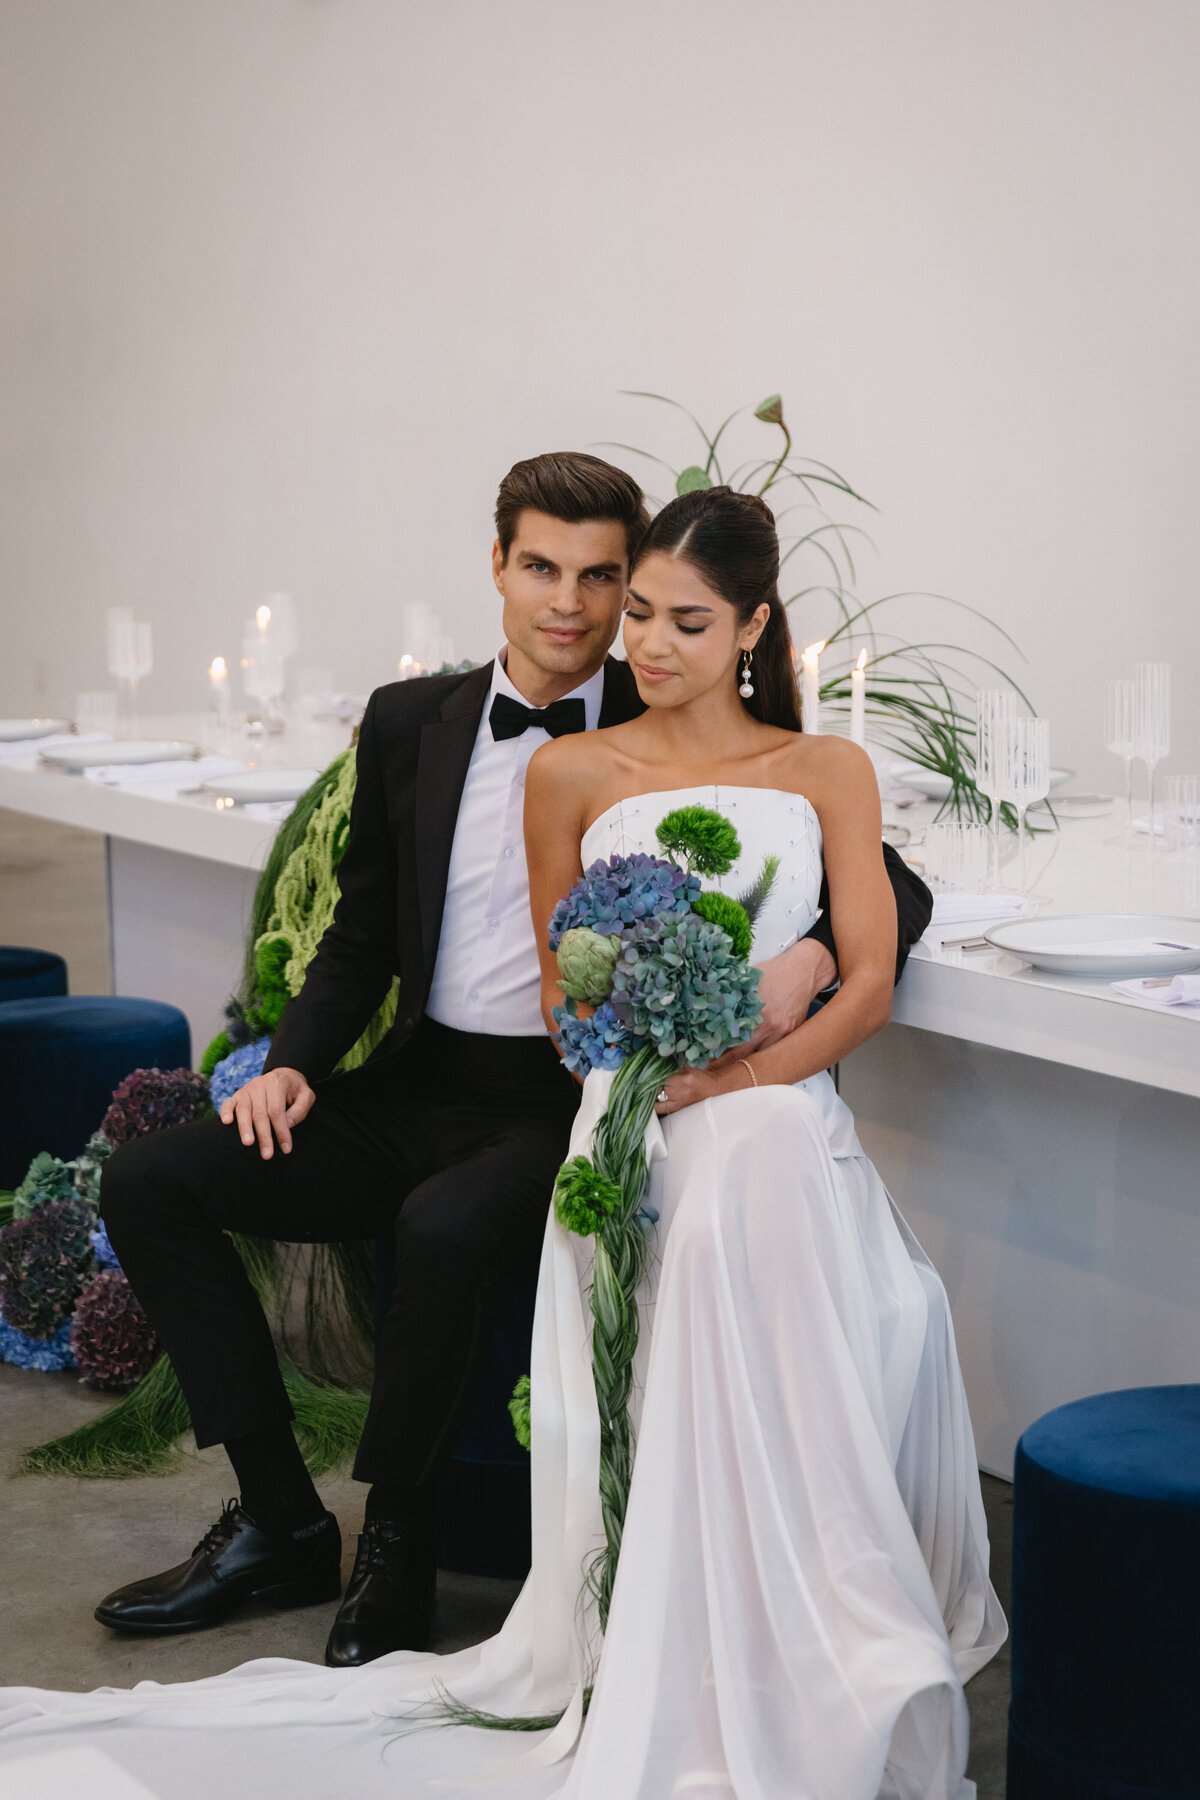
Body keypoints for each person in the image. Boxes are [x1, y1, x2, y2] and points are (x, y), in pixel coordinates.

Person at [83, 453, 932, 1675]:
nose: (577, 609)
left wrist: (801, 952)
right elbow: (361, 932)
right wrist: (293, 1063)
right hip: (415, 1084)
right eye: (546, 570)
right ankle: (277, 1515)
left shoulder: (665, 728)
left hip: (557, 1098)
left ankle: (401, 1544)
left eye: (605, 582)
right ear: (498, 566)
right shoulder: (406, 721)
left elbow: (846, 858)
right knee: (154, 1183)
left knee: (439, 1229)